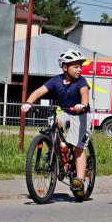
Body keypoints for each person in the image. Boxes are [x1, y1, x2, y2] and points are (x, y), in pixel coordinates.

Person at [22, 50, 91, 199]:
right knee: (54, 121)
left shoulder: (81, 81)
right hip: (65, 112)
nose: (79, 69)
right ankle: (56, 147)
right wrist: (28, 103)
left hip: (81, 115)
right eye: (76, 67)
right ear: (65, 67)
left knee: (79, 149)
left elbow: (84, 94)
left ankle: (79, 181)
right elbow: (39, 91)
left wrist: (83, 105)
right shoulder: (55, 81)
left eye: (80, 66)